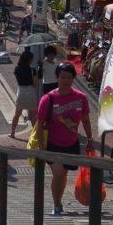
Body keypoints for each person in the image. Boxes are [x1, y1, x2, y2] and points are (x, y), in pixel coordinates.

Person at [36, 60, 95, 216]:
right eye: (62, 77)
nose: (66, 80)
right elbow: (40, 123)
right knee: (58, 173)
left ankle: (58, 202)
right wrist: (41, 146)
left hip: (71, 143)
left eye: (69, 77)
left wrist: (90, 139)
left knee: (63, 174)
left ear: (73, 78)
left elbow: (86, 120)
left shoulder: (81, 98)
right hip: (52, 143)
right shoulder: (48, 99)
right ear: (57, 78)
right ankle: (56, 205)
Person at [10, 48, 38, 138]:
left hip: (21, 92)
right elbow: (35, 84)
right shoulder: (32, 70)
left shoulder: (17, 69)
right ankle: (35, 135)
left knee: (17, 114)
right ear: (29, 60)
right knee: (34, 116)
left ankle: (12, 133)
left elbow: (17, 80)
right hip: (30, 92)